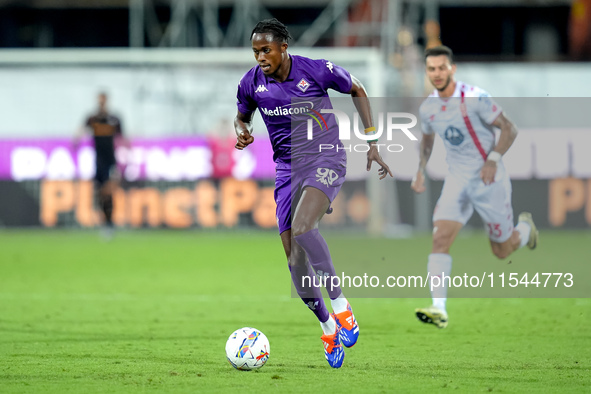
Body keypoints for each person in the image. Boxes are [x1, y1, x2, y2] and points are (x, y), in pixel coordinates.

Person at [234, 19, 392, 368]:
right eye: (256, 51)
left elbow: (358, 88)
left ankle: (342, 307)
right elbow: (241, 117)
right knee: (294, 260)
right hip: (287, 170)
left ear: (283, 48)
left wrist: (372, 142)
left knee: (305, 227)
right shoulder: (251, 84)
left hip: (325, 157)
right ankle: (327, 327)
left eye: (266, 50)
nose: (260, 57)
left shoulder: (316, 71)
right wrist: (243, 131)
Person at [411, 45, 539, 329]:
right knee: (440, 238)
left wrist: (493, 160)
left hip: (488, 180)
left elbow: (509, 128)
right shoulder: (428, 108)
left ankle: (526, 229)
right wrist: (420, 170)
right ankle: (439, 309)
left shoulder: (475, 97)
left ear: (452, 69)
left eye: (442, 68)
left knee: (502, 250)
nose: (437, 73)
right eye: (431, 69)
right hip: (456, 180)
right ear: (427, 72)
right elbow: (428, 141)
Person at [74, 92, 125, 239]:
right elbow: (80, 131)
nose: (101, 103)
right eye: (100, 100)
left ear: (107, 101)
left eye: (104, 100)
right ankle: (105, 223)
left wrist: (126, 159)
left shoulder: (114, 120)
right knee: (100, 193)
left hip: (111, 161)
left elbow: (122, 138)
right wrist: (76, 140)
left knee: (109, 191)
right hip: (98, 162)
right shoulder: (92, 119)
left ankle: (110, 224)